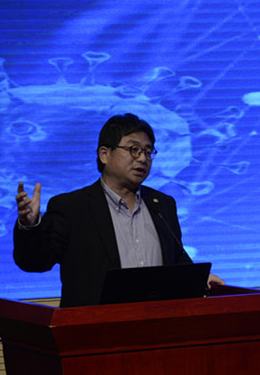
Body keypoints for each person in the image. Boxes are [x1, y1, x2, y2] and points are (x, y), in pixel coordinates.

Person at [14, 113, 224, 307]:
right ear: (104, 155)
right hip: (95, 328)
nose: (142, 158)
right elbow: (34, 262)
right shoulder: (72, 207)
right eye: (134, 149)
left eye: (148, 151)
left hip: (157, 325)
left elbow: (176, 259)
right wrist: (29, 226)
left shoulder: (162, 204)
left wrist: (198, 279)